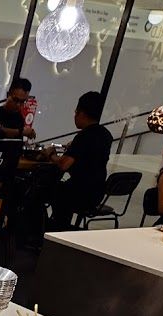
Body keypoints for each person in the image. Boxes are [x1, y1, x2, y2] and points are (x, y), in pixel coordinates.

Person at [46, 91, 113, 230]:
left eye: (76, 112)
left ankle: (53, 230)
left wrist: (50, 155)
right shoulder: (106, 134)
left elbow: (64, 164)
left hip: (78, 192)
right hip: (96, 193)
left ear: (81, 113)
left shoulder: (84, 136)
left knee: (43, 191)